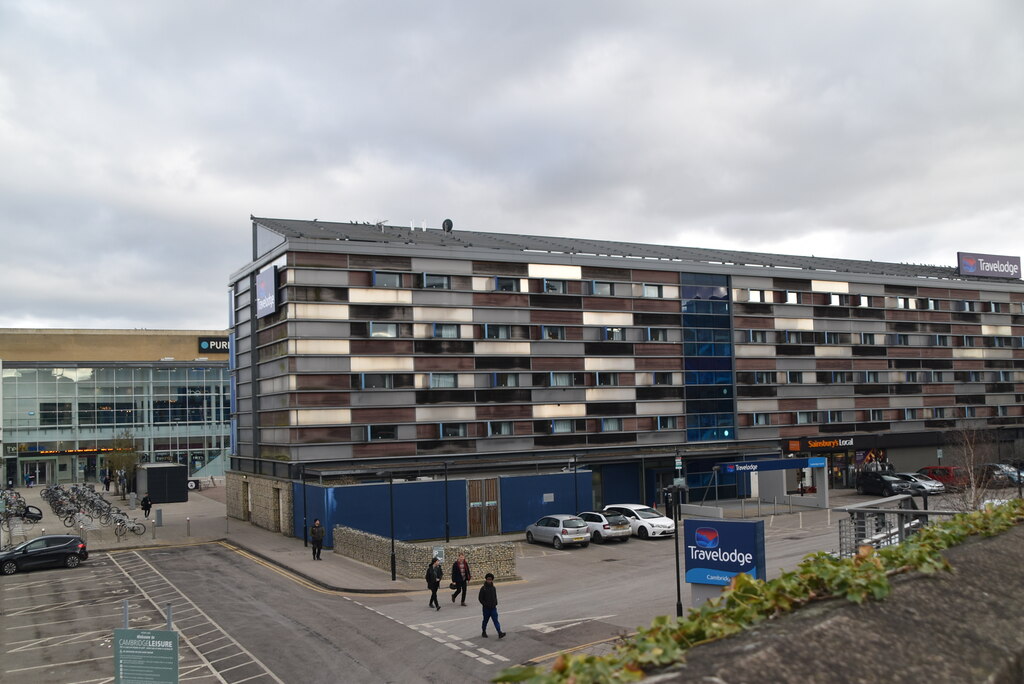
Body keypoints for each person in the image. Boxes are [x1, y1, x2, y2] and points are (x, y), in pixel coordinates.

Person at [478, 572, 506, 638]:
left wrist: (495, 603)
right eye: (488, 579)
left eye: (490, 579)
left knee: (496, 621)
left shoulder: (493, 588)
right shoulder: (483, 588)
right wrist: (485, 604)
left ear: (492, 580)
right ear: (486, 579)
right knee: (485, 621)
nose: (489, 581)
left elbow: (495, 596)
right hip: (486, 609)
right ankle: (483, 631)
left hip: (493, 608)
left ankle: (499, 632)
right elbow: (480, 598)